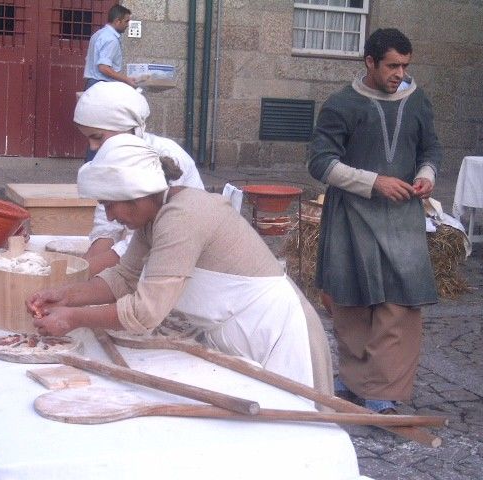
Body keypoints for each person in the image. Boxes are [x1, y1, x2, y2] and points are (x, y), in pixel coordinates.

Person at [27, 134, 334, 398]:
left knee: (287, 440)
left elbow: (145, 312)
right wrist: (65, 296)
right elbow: (123, 277)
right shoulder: (155, 216)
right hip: (237, 330)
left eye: (110, 205)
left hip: (275, 334)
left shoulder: (182, 217)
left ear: (137, 195)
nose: (108, 218)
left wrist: (74, 318)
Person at [308, 28, 442, 414]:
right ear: (370, 62)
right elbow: (320, 163)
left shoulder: (417, 102)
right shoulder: (341, 104)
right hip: (352, 214)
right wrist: (373, 182)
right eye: (392, 65)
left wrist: (427, 174)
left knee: (399, 303)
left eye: (405, 65)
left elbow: (431, 146)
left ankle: (383, 389)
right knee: (350, 301)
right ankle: (353, 381)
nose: (400, 73)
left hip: (402, 217)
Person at [73, 80, 205, 275]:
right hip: (138, 260)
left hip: (179, 264)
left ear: (127, 127)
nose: (92, 147)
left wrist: (78, 277)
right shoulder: (109, 162)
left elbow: (136, 246)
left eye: (98, 137)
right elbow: (106, 228)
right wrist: (78, 271)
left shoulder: (166, 158)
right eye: (88, 138)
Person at [83, 5, 137, 90]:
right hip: (102, 86)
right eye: (126, 21)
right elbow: (103, 68)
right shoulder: (111, 39)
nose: (127, 25)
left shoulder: (98, 34)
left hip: (92, 84)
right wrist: (127, 79)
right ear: (117, 21)